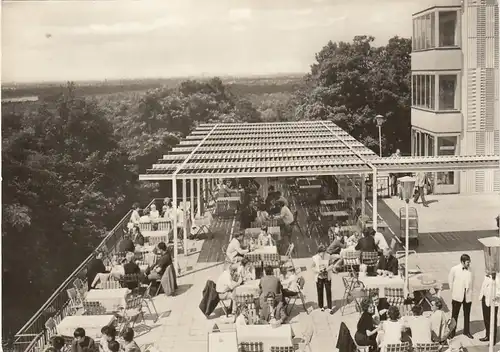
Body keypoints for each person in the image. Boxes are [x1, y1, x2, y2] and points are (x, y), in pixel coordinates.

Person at [448, 253, 474, 339]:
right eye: (467, 262)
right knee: (454, 315)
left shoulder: (471, 270)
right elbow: (450, 281)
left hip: (467, 296)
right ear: (462, 262)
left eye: (469, 262)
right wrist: (454, 291)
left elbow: (472, 281)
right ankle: (452, 332)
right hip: (457, 296)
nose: (469, 263)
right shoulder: (454, 269)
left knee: (467, 314)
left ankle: (466, 331)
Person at [312, 245, 334, 314]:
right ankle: (321, 306)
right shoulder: (314, 258)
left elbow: (332, 265)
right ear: (318, 252)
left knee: (328, 292)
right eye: (321, 253)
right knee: (320, 292)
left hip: (327, 276)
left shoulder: (328, 256)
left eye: (324, 252)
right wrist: (318, 271)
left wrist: (327, 269)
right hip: (319, 277)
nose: (322, 254)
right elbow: (312, 267)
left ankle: (330, 307)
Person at [478, 270, 500, 342]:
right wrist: (481, 296)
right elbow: (483, 287)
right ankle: (488, 335)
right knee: (486, 319)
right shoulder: (487, 277)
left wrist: (495, 296)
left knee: (493, 320)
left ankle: (492, 339)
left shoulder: (497, 278)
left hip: (493, 302)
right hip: (485, 300)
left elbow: (499, 291)